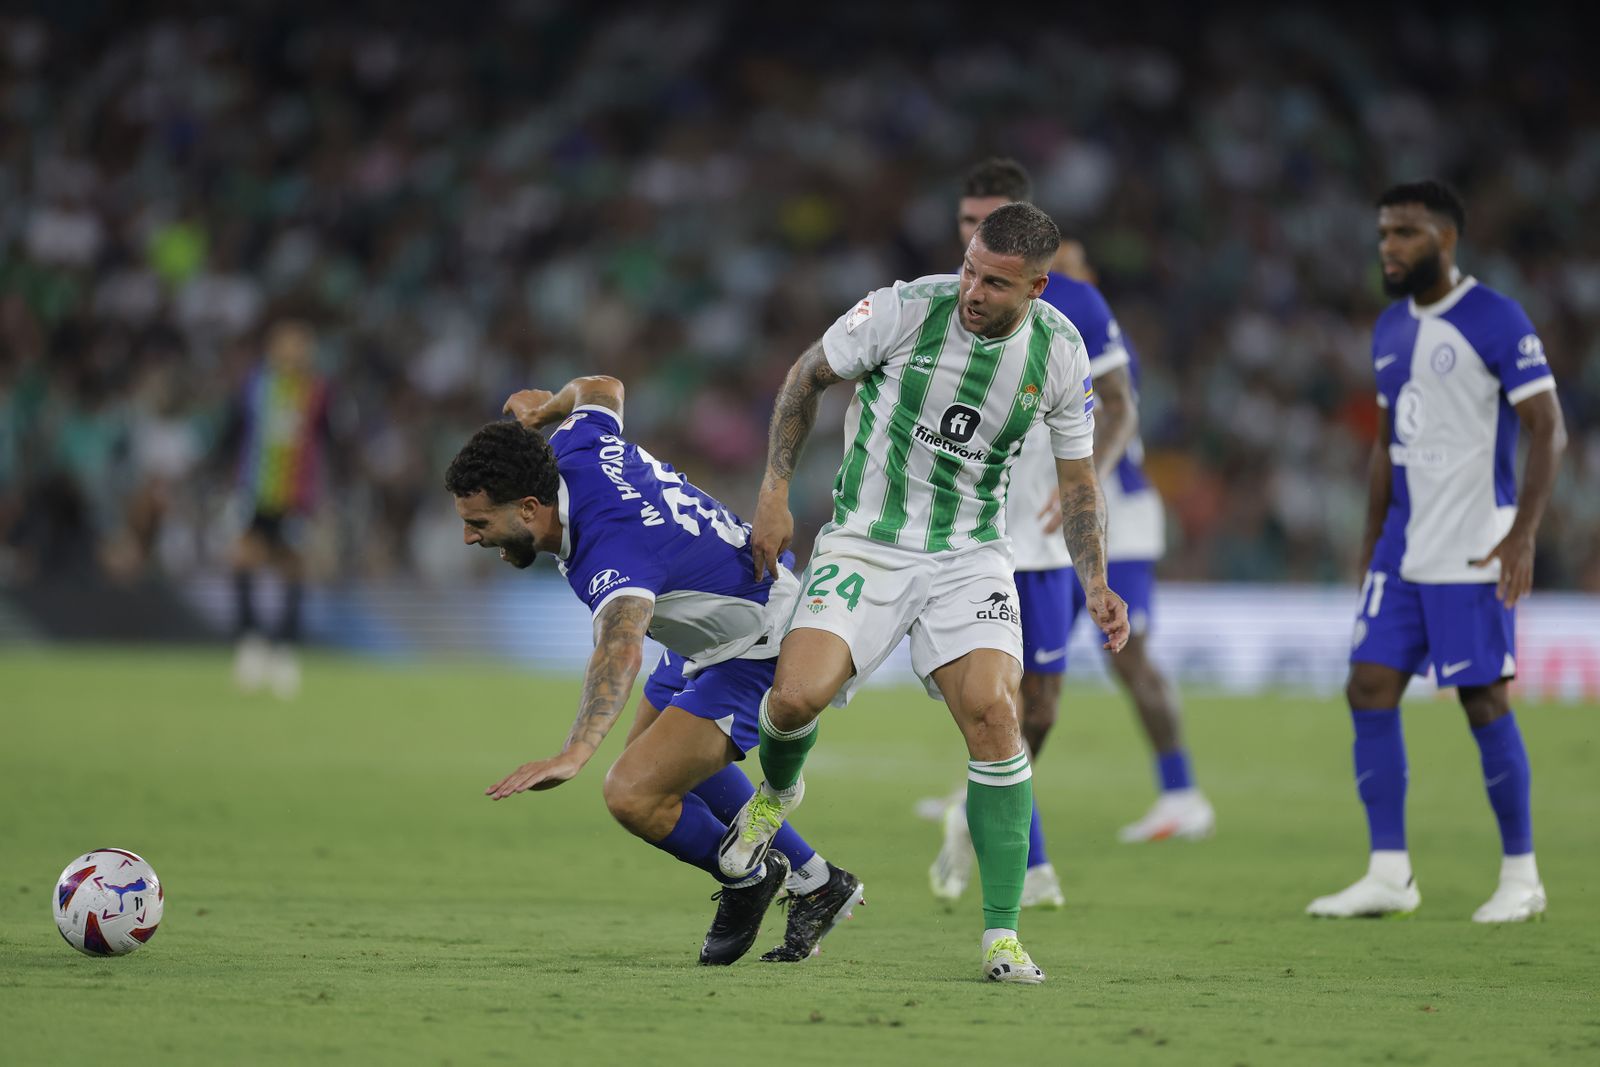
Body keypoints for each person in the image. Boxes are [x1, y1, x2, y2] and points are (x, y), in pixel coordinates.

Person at [719, 203, 1130, 984]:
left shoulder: (1062, 352)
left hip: (970, 554)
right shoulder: (906, 307)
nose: (973, 289)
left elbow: (1078, 482)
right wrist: (774, 489)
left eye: (996, 283)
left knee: (996, 715)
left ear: (1038, 287)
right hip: (868, 541)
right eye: (971, 268)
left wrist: (1096, 580)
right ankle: (777, 789)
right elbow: (807, 376)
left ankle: (1002, 938)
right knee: (795, 698)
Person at [444, 375, 864, 965]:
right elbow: (602, 388)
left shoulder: (609, 549)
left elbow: (619, 651)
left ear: (531, 509)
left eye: (480, 523)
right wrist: (550, 412)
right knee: (661, 770)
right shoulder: (575, 446)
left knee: (633, 794)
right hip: (709, 620)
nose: (469, 536)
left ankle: (750, 878)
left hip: (757, 644)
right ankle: (817, 881)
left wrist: (573, 752)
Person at [929, 161, 1215, 911]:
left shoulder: (1077, 304)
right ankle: (1027, 853)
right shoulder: (940, 304)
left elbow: (1121, 404)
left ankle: (978, 805)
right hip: (973, 537)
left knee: (1046, 707)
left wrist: (1086, 480)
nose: (974, 238)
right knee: (998, 700)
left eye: (987, 220)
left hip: (1048, 539)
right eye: (965, 225)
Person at [1307, 180, 1566, 923]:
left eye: (1406, 234)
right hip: (1403, 547)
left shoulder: (1494, 317)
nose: (1389, 247)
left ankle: (1522, 875)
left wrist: (1522, 532)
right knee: (1368, 686)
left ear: (1445, 240)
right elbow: (1389, 448)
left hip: (1475, 543)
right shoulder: (1389, 327)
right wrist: (1368, 545)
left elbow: (1548, 427)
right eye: (1385, 233)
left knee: (1483, 698)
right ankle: (1390, 872)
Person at [227, 319, 329, 699]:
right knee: (242, 559)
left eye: (299, 345)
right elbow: (235, 431)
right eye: (285, 345)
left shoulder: (318, 392)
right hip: (254, 490)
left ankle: (285, 652)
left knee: (292, 566)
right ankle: (251, 644)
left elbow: (327, 440)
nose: (292, 353)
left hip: (295, 494)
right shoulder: (255, 385)